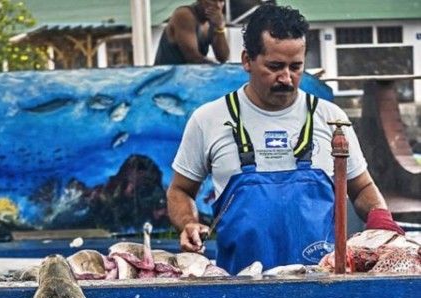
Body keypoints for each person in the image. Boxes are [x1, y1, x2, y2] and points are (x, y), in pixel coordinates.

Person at [167, 3, 404, 274]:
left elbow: (361, 188)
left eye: (296, 67)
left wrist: (381, 220)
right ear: (247, 60)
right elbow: (180, 190)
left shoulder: (331, 119)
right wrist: (188, 222)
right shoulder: (208, 119)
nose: (287, 78)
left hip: (321, 286)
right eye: (275, 66)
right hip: (237, 290)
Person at [154, 0, 230, 66]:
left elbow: (223, 58)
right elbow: (193, 58)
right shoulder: (184, 15)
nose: (217, 5)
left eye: (221, 1)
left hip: (188, 77)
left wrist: (219, 28)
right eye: (212, 0)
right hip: (166, 78)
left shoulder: (212, 22)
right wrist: (216, 67)